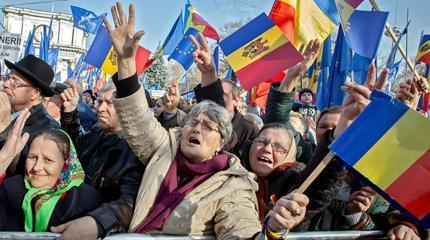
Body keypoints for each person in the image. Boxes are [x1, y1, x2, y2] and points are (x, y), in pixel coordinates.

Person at [102, 3, 307, 239]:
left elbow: (240, 231)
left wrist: (273, 230)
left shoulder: (233, 184)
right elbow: (137, 119)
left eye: (208, 126)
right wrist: (126, 62)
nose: (197, 127)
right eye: (192, 121)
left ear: (222, 142)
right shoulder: (165, 148)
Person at [51, 80, 145, 239]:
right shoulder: (97, 131)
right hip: (73, 213)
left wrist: (97, 222)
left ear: (127, 107)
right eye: (100, 101)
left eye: (110, 103)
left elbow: (129, 202)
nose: (100, 108)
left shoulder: (136, 150)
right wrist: (70, 113)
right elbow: (74, 150)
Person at [0, 110, 103, 231]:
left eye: (48, 160)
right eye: (32, 157)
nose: (37, 167)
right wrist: (3, 158)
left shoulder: (88, 200)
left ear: (66, 164)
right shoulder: (10, 189)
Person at [190, 34, 259, 168]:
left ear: (236, 101)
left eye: (222, 95)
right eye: (216, 93)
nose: (217, 98)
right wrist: (208, 74)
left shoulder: (250, 130)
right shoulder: (195, 122)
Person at [0, 55, 60, 176]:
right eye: (8, 78)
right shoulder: (6, 111)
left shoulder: (49, 130)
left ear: (35, 93)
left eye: (15, 82)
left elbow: (28, 173)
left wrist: (5, 129)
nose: (6, 84)